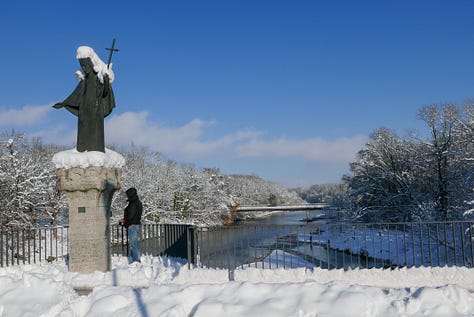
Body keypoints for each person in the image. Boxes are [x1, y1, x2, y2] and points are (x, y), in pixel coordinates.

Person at [53, 46, 116, 153]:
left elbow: (105, 93)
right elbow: (76, 94)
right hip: (84, 110)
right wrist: (64, 103)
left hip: (96, 109)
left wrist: (105, 80)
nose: (84, 67)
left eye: (85, 64)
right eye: (82, 65)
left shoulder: (98, 77)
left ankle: (95, 151)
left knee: (95, 134)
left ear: (91, 62)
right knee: (83, 133)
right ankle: (82, 150)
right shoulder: (84, 80)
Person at [122, 187, 143, 263]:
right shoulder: (137, 202)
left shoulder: (133, 204)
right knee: (134, 243)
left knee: (133, 244)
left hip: (133, 226)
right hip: (136, 225)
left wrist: (126, 223)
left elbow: (131, 216)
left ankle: (136, 260)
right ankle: (135, 259)